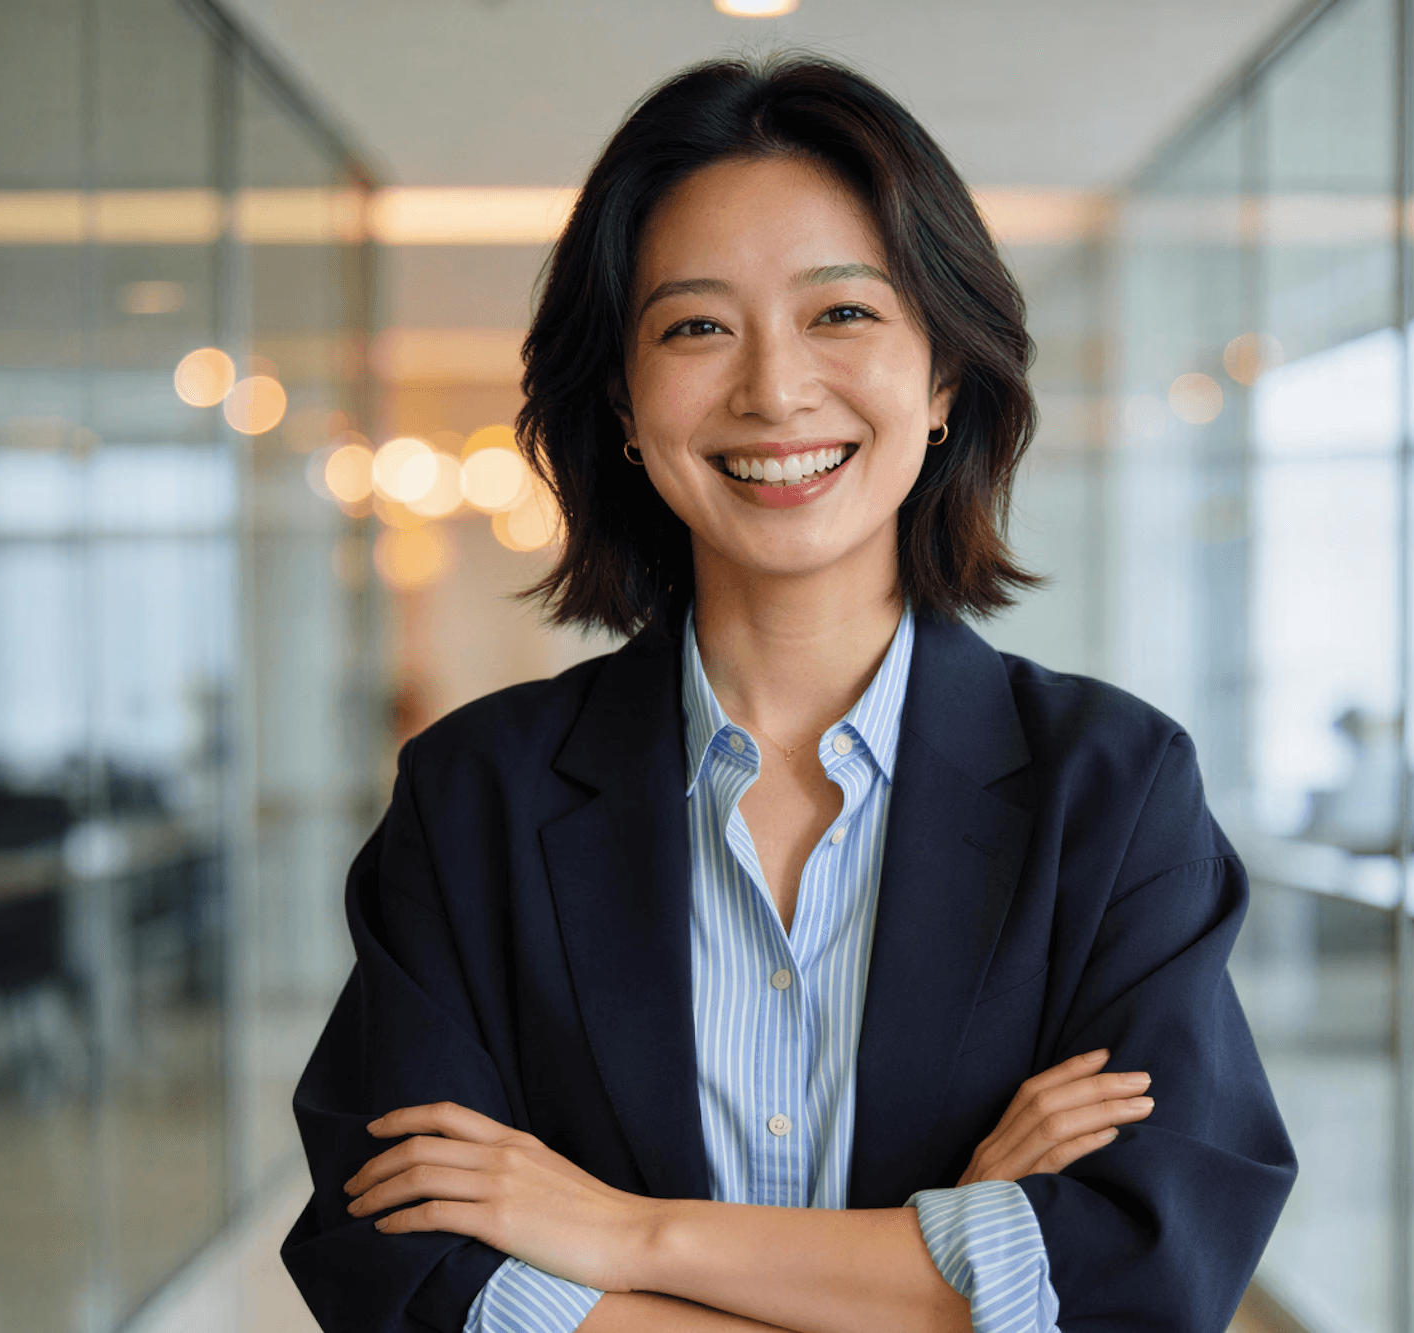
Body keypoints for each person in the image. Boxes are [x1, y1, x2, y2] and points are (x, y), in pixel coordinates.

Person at [283, 55, 1294, 1333]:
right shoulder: (474, 793)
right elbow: (403, 1268)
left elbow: (1152, 1265)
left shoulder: (1114, 786)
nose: (773, 389)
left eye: (843, 313)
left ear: (943, 378)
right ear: (624, 402)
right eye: (697, 327)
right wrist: (949, 1269)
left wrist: (627, 1234)